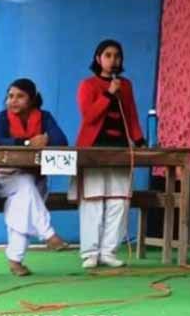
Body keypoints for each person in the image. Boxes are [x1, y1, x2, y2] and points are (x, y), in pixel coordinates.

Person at [71, 39, 145, 269]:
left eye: (117, 56)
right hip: (93, 148)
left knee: (119, 201)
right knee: (93, 200)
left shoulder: (126, 85)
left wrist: (139, 140)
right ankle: (90, 252)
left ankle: (108, 251)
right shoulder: (88, 85)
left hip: (120, 149)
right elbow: (89, 116)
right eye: (108, 55)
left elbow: (131, 115)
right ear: (98, 59)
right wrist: (109, 95)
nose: (113, 60)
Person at [0, 78, 69, 276]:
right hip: (4, 179)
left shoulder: (45, 117)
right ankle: (48, 233)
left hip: (36, 179)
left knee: (22, 204)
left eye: (20, 96)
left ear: (32, 99)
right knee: (25, 185)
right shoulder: (2, 118)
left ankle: (15, 261)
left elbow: (61, 141)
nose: (13, 100)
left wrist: (46, 138)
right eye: (10, 96)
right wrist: (26, 143)